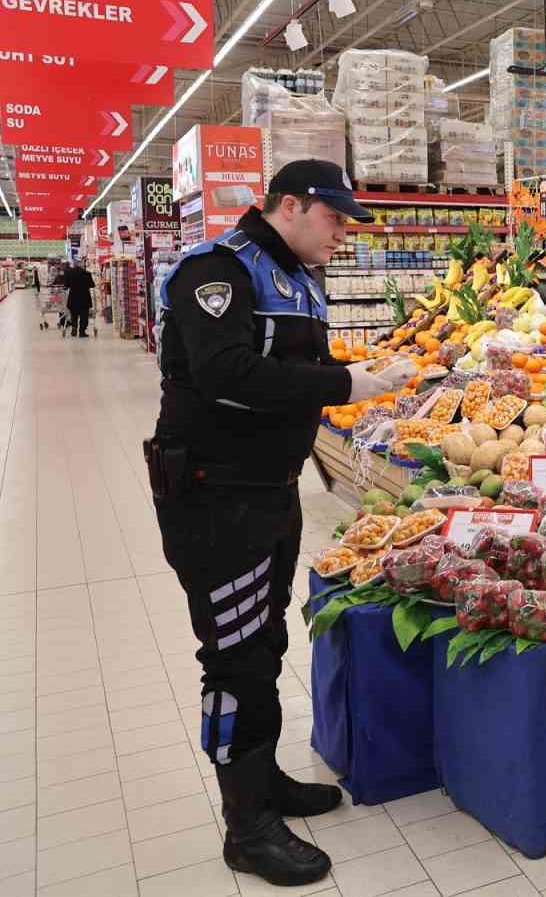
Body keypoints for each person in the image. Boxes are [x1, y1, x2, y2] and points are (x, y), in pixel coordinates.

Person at [146, 160, 415, 886]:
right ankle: (246, 830)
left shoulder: (300, 280)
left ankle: (263, 784)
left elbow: (299, 373)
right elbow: (226, 373)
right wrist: (345, 384)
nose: (342, 235)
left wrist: (368, 373)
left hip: (270, 489)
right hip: (213, 495)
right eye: (334, 219)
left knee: (265, 641)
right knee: (233, 657)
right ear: (289, 206)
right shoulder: (217, 271)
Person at [62, 262, 94, 336]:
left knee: (74, 314)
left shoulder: (69, 274)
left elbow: (66, 286)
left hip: (73, 297)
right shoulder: (87, 273)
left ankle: (74, 328)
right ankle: (82, 331)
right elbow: (92, 285)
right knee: (84, 315)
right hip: (84, 297)